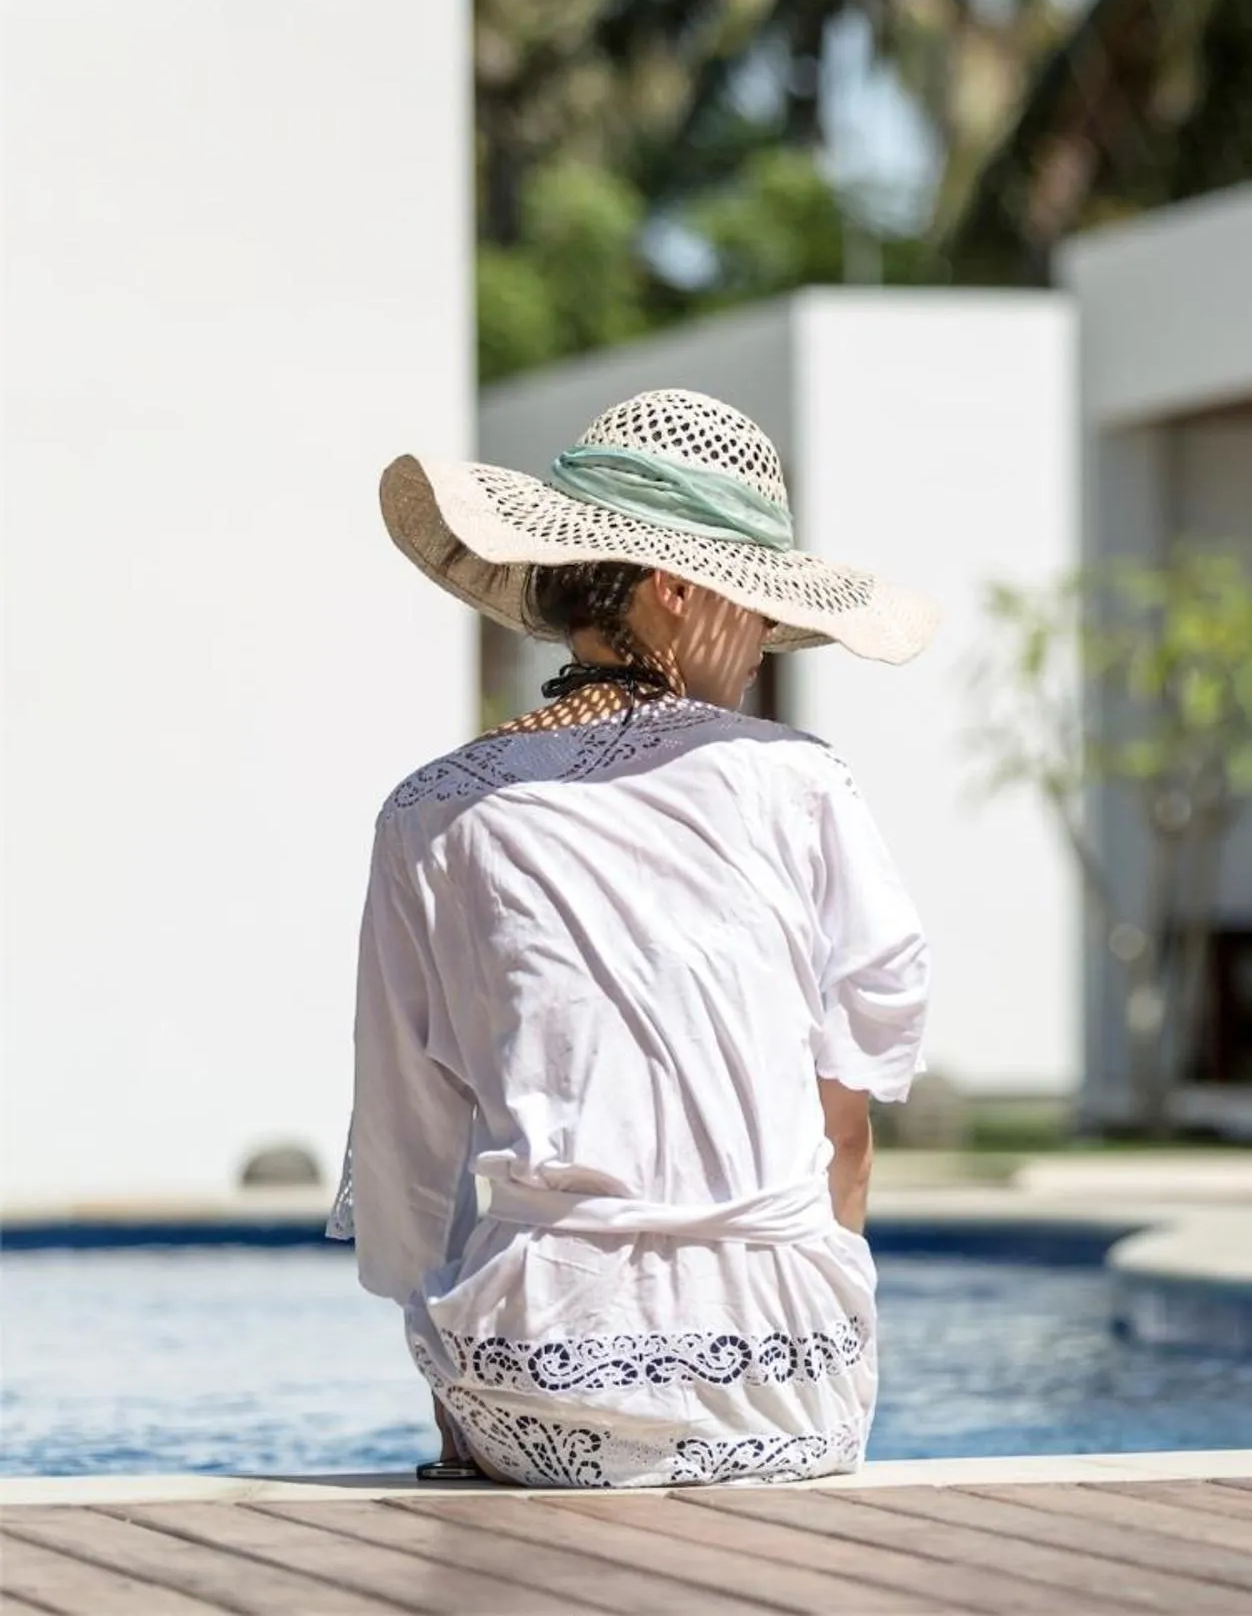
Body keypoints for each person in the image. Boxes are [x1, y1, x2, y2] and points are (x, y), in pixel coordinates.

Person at [326, 388, 938, 1487]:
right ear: (676, 588)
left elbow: (410, 1153)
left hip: (541, 1367)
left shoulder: (432, 811)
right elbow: (845, 1130)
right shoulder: (801, 782)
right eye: (753, 606)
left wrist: (458, 1397)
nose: (757, 644)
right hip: (792, 1378)